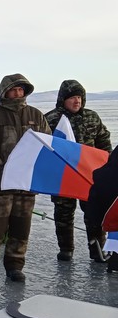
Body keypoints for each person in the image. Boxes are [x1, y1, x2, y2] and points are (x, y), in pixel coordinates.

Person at [0, 74, 51, 283]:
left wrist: (37, 170)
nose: (18, 93)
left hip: (26, 184)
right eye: (14, 89)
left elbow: (47, 144)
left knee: (21, 226)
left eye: (21, 90)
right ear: (4, 91)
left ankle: (15, 265)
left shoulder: (35, 115)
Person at [44, 80, 112, 262]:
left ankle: (97, 250)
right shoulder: (50, 119)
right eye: (73, 97)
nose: (77, 101)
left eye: (80, 97)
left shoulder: (92, 117)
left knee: (94, 215)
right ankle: (66, 249)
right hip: (63, 176)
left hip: (89, 176)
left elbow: (104, 143)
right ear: (63, 99)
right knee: (63, 214)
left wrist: (108, 168)